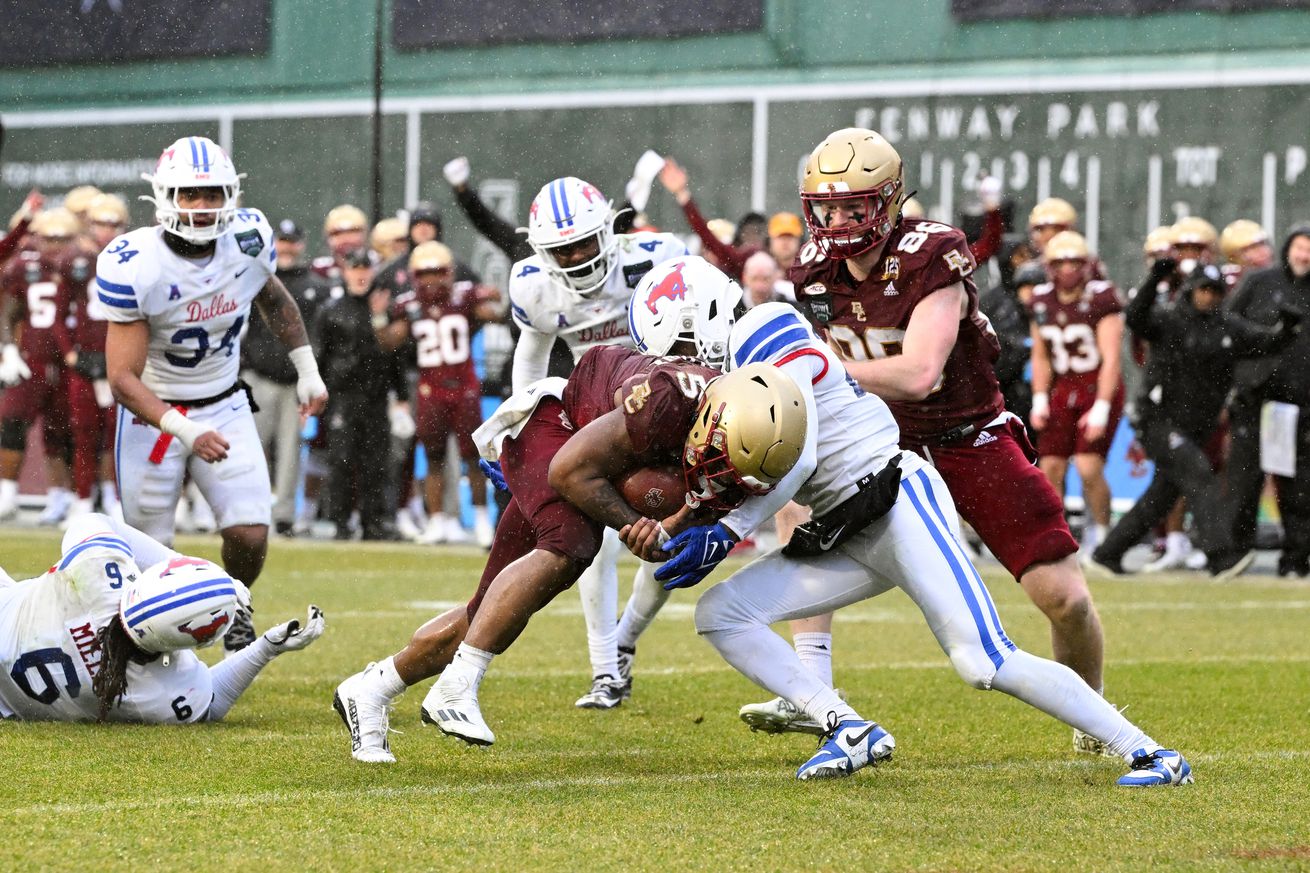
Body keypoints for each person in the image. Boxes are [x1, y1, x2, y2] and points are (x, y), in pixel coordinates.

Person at [625, 256, 1194, 787]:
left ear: (702, 316)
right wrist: (681, 522)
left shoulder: (766, 326)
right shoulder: (728, 369)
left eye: (677, 345)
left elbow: (793, 452)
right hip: (845, 525)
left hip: (897, 500)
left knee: (982, 660)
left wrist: (725, 532)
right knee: (722, 613)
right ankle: (846, 727)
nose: (679, 362)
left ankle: (1150, 752)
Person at [777, 128, 1108, 758]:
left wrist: (822, 370)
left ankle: (1092, 712)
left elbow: (918, 373)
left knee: (1064, 599)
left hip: (965, 437)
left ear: (890, 201)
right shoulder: (814, 274)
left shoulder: (934, 253)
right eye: (828, 208)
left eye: (856, 206)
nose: (839, 221)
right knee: (798, 494)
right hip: (882, 441)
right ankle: (812, 690)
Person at [332, 346, 804, 761]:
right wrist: (631, 524)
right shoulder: (666, 402)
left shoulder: (748, 438)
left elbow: (681, 519)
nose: (721, 477)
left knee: (489, 610)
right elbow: (568, 472)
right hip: (556, 426)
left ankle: (370, 689)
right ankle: (458, 685)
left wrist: (666, 532)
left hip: (590, 453)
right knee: (572, 546)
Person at [99, 136, 329, 652]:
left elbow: (276, 300)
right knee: (152, 552)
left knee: (250, 531)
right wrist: (182, 428)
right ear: (164, 197)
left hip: (224, 401)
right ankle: (145, 643)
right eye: (188, 195)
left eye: (213, 194)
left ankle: (237, 604)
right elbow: (123, 380)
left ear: (233, 195)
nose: (201, 208)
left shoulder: (249, 239)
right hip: (153, 417)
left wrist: (307, 368)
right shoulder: (136, 262)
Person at [507, 175, 688, 709]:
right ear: (542, 251)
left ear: (610, 229)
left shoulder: (657, 258)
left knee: (672, 538)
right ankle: (606, 669)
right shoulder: (535, 287)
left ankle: (626, 637)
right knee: (597, 541)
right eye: (564, 249)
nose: (579, 256)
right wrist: (524, 430)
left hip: (665, 411)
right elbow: (532, 356)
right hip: (594, 418)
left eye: (586, 242)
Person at [0, 512, 323, 722]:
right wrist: (267, 647)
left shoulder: (100, 571)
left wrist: (179, 561)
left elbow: (96, 522)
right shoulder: (155, 691)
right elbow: (212, 701)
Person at [1090, 263, 1298, 578]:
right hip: (1157, 420)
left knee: (1161, 496)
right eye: (1203, 289)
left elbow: (1265, 343)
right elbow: (1135, 317)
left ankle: (1108, 553)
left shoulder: (1229, 327)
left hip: (1195, 427)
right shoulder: (1168, 320)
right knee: (1200, 474)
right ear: (1191, 290)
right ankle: (1221, 556)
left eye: (1215, 291)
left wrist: (1287, 328)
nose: (1209, 297)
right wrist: (1154, 279)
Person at [373, 241, 499, 546]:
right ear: (414, 275)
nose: (431, 280)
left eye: (438, 272)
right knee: (433, 457)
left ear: (450, 273)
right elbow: (388, 342)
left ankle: (482, 520)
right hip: (431, 390)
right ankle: (437, 520)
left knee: (474, 458)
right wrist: (378, 317)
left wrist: (498, 298)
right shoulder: (410, 306)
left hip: (464, 388)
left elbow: (496, 313)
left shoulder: (464, 297)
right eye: (424, 273)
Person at [1027, 231, 1125, 555]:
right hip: (1062, 386)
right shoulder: (1041, 299)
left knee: (1087, 466)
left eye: (1074, 262)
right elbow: (1041, 355)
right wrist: (1040, 397)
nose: (1068, 268)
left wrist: (1102, 406)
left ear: (1087, 265)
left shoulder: (1102, 297)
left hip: (1097, 383)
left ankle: (1102, 532)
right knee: (1050, 467)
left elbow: (1111, 357)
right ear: (1049, 266)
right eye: (1061, 262)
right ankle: (1059, 533)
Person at [1226, 224, 1310, 577]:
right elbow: (1228, 322)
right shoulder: (1260, 282)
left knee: (1296, 485)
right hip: (1254, 398)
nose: (1304, 254)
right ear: (1288, 248)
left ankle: (1295, 557)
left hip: (1297, 402)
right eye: (1300, 246)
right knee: (1244, 480)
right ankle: (1234, 555)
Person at [240, 218, 332, 537]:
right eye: (282, 241)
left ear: (302, 245)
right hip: (259, 376)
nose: (288, 248)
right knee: (249, 447)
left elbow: (320, 336)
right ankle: (246, 510)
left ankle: (283, 515)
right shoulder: (256, 278)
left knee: (292, 451)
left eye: (293, 242)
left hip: (294, 382)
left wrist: (312, 374)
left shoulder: (316, 286)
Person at [313, 248, 402, 541]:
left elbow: (394, 356)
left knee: (376, 462)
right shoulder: (331, 309)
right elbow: (320, 356)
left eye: (366, 268)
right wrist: (317, 393)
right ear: (345, 271)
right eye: (356, 268)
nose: (361, 274)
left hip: (376, 396)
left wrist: (401, 395)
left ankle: (372, 522)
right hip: (343, 396)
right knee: (340, 460)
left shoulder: (383, 307)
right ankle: (339, 522)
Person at [0, 207, 78, 524]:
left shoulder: (86, 265)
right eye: (49, 237)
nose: (56, 245)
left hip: (71, 362)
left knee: (65, 431)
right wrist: (8, 349)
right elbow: (7, 310)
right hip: (31, 358)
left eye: (63, 238)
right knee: (11, 420)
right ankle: (6, 492)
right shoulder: (24, 266)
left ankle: (65, 497)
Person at [58, 194, 130, 523]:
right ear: (90, 225)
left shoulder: (133, 260)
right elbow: (58, 313)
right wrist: (70, 353)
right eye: (102, 224)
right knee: (84, 433)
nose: (107, 231)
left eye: (114, 224)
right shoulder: (76, 260)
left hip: (119, 359)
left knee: (118, 435)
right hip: (86, 359)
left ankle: (114, 496)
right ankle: (83, 499)